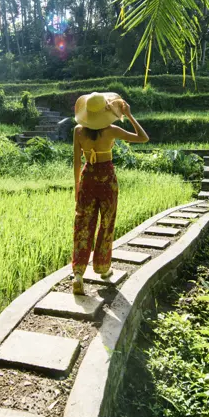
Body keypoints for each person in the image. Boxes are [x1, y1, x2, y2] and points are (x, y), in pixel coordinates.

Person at [72, 92, 149, 295]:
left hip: (87, 177)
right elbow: (143, 138)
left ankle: (78, 273)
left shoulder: (78, 131)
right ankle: (103, 269)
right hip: (107, 179)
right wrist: (130, 115)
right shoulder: (112, 130)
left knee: (83, 224)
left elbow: (77, 162)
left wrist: (77, 187)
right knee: (106, 223)